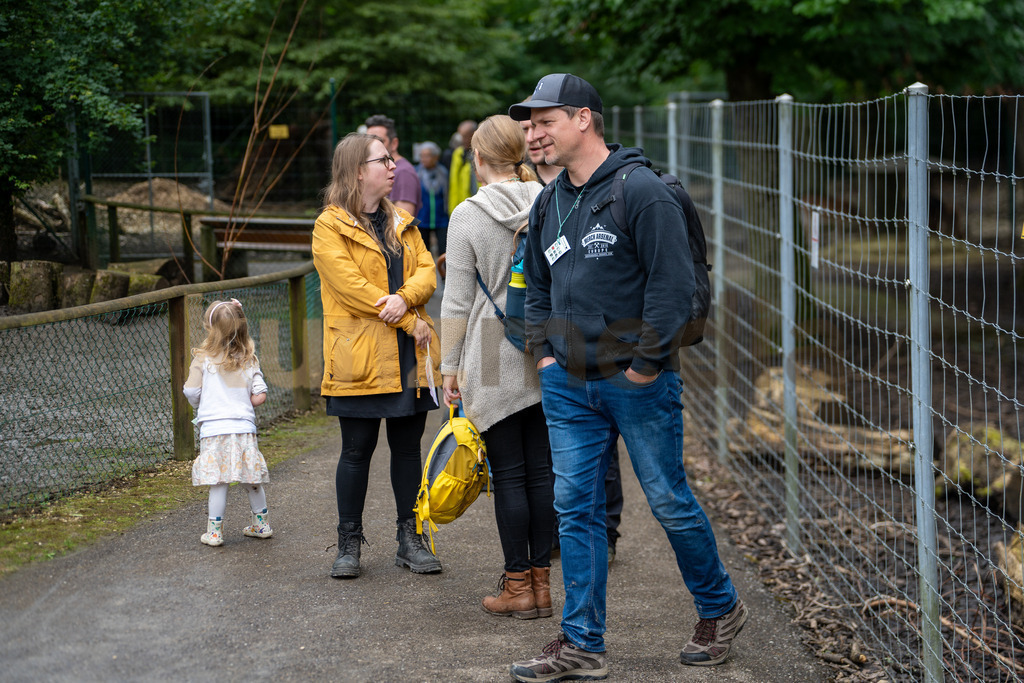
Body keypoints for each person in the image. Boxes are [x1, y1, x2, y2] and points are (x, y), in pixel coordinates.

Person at [507, 73, 747, 681]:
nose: (534, 133)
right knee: (575, 507)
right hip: (567, 385)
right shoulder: (550, 200)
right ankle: (582, 642)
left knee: (667, 499)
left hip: (638, 382)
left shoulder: (642, 191)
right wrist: (543, 356)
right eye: (530, 124)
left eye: (545, 121)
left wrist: (644, 367)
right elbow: (534, 281)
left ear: (583, 119)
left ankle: (719, 608)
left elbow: (671, 287)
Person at [439, 115, 555, 620]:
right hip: (550, 341)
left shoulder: (467, 214)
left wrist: (448, 368)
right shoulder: (550, 202)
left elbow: (456, 302)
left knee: (507, 473)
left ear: (478, 159)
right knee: (544, 471)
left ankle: (517, 587)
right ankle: (544, 586)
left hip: (489, 347)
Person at [312, 132, 442, 579]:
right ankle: (349, 544)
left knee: (408, 450)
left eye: (390, 158)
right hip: (360, 357)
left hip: (408, 357)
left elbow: (428, 273)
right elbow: (351, 290)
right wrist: (408, 317)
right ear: (355, 171)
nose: (393, 166)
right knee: (356, 450)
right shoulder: (329, 226)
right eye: (382, 160)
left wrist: (405, 299)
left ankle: (411, 539)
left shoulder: (403, 223)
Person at [184, 298, 272, 548]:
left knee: (219, 481)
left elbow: (191, 392)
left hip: (214, 430)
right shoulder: (249, 359)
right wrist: (241, 401)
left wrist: (203, 402)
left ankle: (214, 532)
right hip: (243, 429)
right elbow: (260, 396)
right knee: (250, 478)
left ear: (211, 330)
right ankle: (261, 524)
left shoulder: (202, 360)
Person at [365, 114, 422, 217]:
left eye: (379, 140)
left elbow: (404, 223)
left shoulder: (404, 173)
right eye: (368, 140)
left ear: (394, 143)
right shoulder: (373, 168)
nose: (372, 145)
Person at [415, 141, 449, 258]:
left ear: (436, 157)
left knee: (443, 251)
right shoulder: (416, 173)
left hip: (442, 218)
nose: (424, 159)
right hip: (422, 218)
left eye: (427, 156)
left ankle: (444, 276)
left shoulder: (444, 173)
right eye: (422, 156)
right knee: (423, 252)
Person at [448, 119, 478, 213]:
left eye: (465, 136)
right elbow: (453, 183)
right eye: (461, 136)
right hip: (461, 208)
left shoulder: (482, 152)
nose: (462, 140)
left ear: (474, 134)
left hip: (477, 205)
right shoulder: (458, 154)